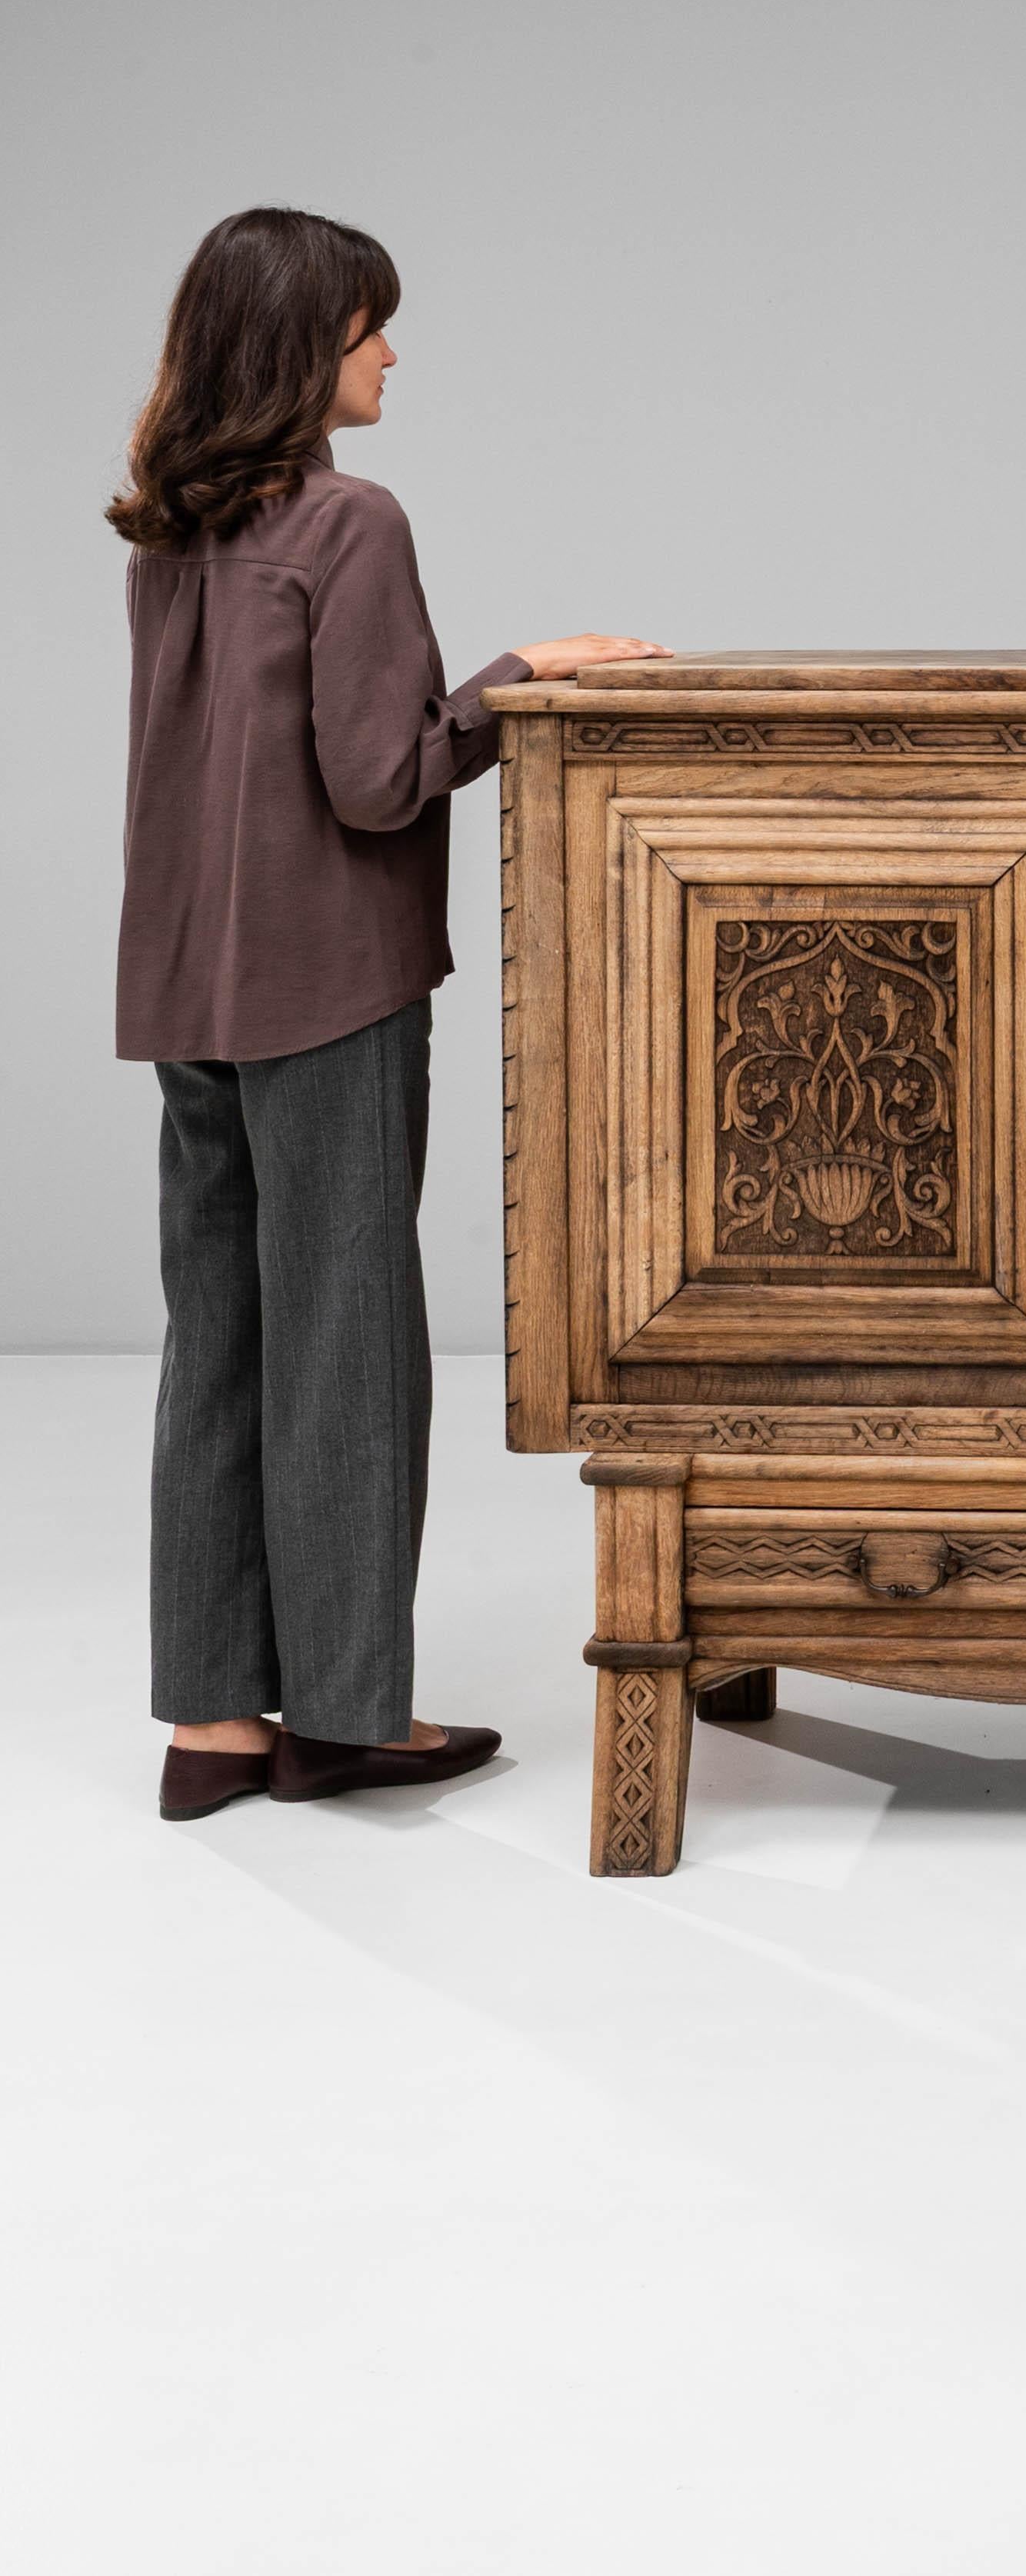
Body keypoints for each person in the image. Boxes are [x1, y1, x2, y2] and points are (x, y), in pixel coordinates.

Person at [111, 206, 666, 1821]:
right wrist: (518, 678)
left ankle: (212, 1723)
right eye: (370, 327)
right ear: (303, 348)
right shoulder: (350, 525)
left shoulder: (170, 531)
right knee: (347, 1342)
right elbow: (379, 781)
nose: (391, 351)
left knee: (217, 1339)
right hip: (326, 985)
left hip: (186, 984)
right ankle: (350, 1712)